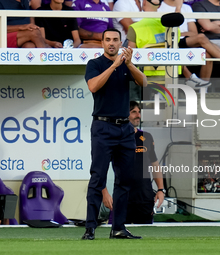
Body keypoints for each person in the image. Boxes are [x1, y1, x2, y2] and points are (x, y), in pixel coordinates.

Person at [82, 28, 147, 240]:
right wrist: (115, 65)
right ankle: (90, 228)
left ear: (121, 43)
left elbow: (143, 82)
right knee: (98, 178)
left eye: (115, 40)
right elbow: (93, 86)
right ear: (102, 43)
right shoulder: (95, 64)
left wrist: (128, 64)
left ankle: (118, 227)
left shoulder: (126, 65)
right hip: (103, 127)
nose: (111, 43)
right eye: (108, 40)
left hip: (124, 129)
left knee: (125, 179)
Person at [127, 0, 220, 88]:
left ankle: (205, 87)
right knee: (197, 42)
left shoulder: (187, 7)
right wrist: (178, 9)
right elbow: (170, 28)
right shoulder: (161, 6)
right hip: (170, 39)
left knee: (205, 46)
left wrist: (183, 31)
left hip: (182, 39)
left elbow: (193, 32)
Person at [102, 101, 165, 224]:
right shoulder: (115, 138)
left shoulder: (146, 137)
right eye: (133, 112)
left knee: (145, 237)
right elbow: (101, 168)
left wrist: (160, 190)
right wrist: (104, 192)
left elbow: (155, 165)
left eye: (139, 112)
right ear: (125, 115)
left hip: (144, 199)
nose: (138, 115)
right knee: (115, 237)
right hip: (122, 199)